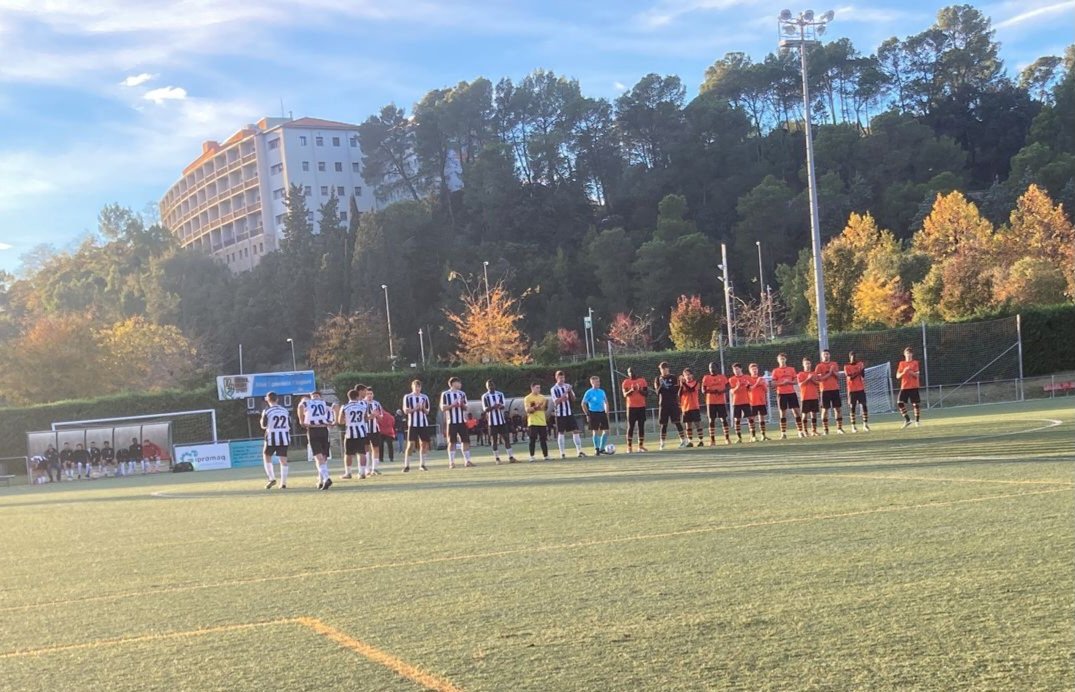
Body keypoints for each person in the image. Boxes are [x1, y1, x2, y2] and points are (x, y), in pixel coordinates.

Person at [298, 390, 335, 490]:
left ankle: (326, 478)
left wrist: (301, 421)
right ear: (320, 396)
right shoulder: (324, 402)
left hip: (313, 429)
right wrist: (334, 421)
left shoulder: (308, 402)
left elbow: (300, 406)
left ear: (311, 396)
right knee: (323, 457)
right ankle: (321, 480)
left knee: (318, 457)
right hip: (324, 429)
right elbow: (336, 406)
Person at [440, 377, 474, 469]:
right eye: (458, 382)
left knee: (465, 441)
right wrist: (453, 405)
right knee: (452, 442)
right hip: (451, 421)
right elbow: (442, 408)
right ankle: (451, 462)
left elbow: (466, 407)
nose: (460, 384)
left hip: (461, 421)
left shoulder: (462, 394)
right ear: (453, 383)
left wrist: (462, 404)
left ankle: (467, 461)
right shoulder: (445, 394)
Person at [550, 371, 586, 458]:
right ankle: (562, 453)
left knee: (576, 430)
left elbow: (573, 399)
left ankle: (579, 451)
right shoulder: (554, 389)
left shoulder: (567, 386)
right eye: (560, 378)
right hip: (560, 414)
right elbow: (556, 402)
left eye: (563, 378)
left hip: (569, 413)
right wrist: (565, 394)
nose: (562, 379)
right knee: (561, 432)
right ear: (556, 378)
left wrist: (570, 391)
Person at [261, 391, 291, 489]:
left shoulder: (267, 411)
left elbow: (264, 425)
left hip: (271, 437)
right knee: (283, 460)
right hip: (284, 437)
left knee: (266, 456)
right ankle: (283, 483)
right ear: (277, 399)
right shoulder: (285, 410)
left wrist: (261, 420)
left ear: (267, 400)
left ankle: (272, 478)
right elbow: (289, 424)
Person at [337, 386, 369, 479]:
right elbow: (365, 418)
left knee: (348, 453)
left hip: (350, 433)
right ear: (357, 396)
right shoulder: (363, 406)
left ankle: (348, 473)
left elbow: (340, 421)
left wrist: (347, 420)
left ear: (349, 397)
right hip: (361, 432)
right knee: (362, 452)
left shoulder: (345, 407)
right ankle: (362, 472)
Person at [654, 362, 687, 449]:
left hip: (673, 403)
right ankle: (662, 443)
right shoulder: (657, 379)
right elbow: (657, 392)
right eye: (661, 369)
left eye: (665, 368)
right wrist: (661, 385)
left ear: (668, 369)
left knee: (677, 422)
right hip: (663, 404)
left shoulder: (673, 377)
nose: (663, 370)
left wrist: (667, 387)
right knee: (663, 424)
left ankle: (683, 440)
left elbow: (675, 390)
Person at [482, 380, 517, 463]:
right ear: (486, 387)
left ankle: (511, 457)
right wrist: (494, 407)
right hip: (492, 422)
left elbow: (503, 406)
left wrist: (499, 406)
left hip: (501, 421)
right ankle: (497, 459)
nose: (491, 386)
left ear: (495, 385)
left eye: (492, 384)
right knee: (494, 440)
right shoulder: (485, 396)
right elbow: (485, 409)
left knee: (506, 438)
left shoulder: (500, 394)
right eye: (489, 385)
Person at [772, 353, 804, 440]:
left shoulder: (791, 369)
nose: (782, 360)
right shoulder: (775, 371)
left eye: (783, 358)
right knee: (782, 414)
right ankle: (783, 433)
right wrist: (782, 383)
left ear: (786, 359)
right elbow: (773, 383)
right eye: (780, 359)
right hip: (781, 394)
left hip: (791, 393)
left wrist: (789, 382)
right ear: (778, 360)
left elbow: (796, 381)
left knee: (797, 412)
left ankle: (800, 431)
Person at [402, 380, 432, 472]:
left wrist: (422, 408)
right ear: (412, 387)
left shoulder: (424, 397)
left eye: (419, 387)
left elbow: (427, 411)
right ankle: (406, 465)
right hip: (413, 424)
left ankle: (422, 464)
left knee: (424, 443)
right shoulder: (408, 397)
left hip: (423, 424)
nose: (417, 389)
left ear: (421, 388)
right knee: (411, 444)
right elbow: (405, 411)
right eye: (415, 387)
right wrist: (415, 408)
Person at [814, 350, 844, 435]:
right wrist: (830, 373)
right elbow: (819, 379)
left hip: (835, 389)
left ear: (829, 355)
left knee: (837, 409)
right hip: (824, 390)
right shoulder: (819, 366)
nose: (826, 356)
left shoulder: (834, 364)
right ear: (822, 356)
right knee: (825, 410)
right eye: (824, 354)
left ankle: (839, 428)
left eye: (827, 354)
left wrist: (833, 372)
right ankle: (826, 430)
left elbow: (838, 376)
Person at [621, 367, 649, 453]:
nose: (631, 373)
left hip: (641, 406)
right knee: (631, 426)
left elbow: (646, 393)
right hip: (631, 407)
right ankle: (629, 447)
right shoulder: (626, 382)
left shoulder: (642, 381)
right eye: (629, 372)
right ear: (628, 373)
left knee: (641, 426)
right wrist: (631, 390)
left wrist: (639, 390)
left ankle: (640, 446)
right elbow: (625, 394)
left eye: (632, 372)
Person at [702, 362, 730, 446]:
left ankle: (727, 438)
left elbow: (728, 387)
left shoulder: (722, 377)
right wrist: (713, 391)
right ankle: (712, 440)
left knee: (724, 419)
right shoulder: (706, 377)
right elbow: (703, 390)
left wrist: (721, 391)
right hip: (710, 402)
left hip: (721, 402)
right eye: (710, 367)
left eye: (713, 367)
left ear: (717, 368)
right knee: (711, 420)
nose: (711, 369)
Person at [581, 375, 610, 455]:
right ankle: (596, 449)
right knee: (595, 431)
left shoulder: (602, 391)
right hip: (593, 413)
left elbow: (606, 402)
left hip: (602, 412)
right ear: (592, 382)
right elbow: (583, 404)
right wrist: (587, 414)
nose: (598, 383)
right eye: (597, 381)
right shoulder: (589, 392)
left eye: (599, 381)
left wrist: (607, 411)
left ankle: (602, 448)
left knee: (606, 431)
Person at [896, 346, 922, 428]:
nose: (909, 355)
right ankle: (907, 419)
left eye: (910, 353)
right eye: (907, 353)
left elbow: (916, 376)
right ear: (904, 354)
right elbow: (898, 376)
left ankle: (917, 421)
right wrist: (904, 371)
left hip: (913, 386)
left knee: (915, 404)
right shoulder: (901, 364)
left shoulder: (915, 363)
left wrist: (910, 371)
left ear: (912, 354)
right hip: (904, 386)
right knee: (899, 402)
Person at [523, 381, 550, 462]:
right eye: (537, 387)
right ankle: (532, 456)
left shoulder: (543, 397)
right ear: (532, 388)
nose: (539, 389)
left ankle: (546, 455)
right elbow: (528, 410)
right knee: (532, 439)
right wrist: (536, 407)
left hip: (542, 421)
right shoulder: (528, 398)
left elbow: (544, 409)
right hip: (533, 421)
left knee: (543, 439)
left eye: (539, 387)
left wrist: (545, 406)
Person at [844, 351, 870, 432]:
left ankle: (865, 424)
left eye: (855, 356)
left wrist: (862, 369)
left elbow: (863, 375)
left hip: (861, 388)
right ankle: (853, 426)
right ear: (849, 357)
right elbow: (850, 377)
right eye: (852, 356)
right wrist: (858, 371)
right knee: (852, 407)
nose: (854, 358)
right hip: (852, 389)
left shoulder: (860, 364)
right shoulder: (846, 366)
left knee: (864, 405)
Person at [728, 363, 752, 443]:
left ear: (741, 369)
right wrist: (737, 387)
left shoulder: (747, 377)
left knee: (750, 418)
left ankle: (753, 436)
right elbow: (732, 391)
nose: (736, 371)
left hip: (746, 401)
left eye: (737, 369)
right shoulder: (732, 379)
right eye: (734, 369)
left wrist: (748, 386)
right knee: (737, 420)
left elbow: (751, 389)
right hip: (736, 402)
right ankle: (739, 437)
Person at [679, 368, 703, 446]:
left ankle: (701, 440)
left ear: (692, 375)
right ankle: (690, 441)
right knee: (688, 425)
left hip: (694, 406)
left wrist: (684, 383)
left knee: (697, 424)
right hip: (685, 407)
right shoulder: (683, 384)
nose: (687, 376)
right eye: (686, 375)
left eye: (689, 374)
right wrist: (681, 385)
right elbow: (679, 394)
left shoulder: (696, 383)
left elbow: (691, 389)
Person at [798, 357, 821, 437]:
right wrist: (808, 379)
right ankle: (805, 431)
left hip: (814, 396)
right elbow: (800, 384)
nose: (808, 365)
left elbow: (819, 383)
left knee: (814, 414)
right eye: (806, 364)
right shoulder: (801, 374)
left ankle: (814, 431)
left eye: (809, 363)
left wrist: (812, 380)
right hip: (805, 397)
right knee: (804, 415)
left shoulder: (814, 373)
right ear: (803, 365)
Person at [747, 363, 770, 441]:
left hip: (761, 401)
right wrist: (757, 383)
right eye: (753, 370)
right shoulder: (748, 379)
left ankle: (763, 435)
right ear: (750, 371)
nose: (755, 371)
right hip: (752, 402)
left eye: (756, 369)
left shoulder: (762, 379)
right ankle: (753, 436)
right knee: (752, 419)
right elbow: (750, 389)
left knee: (762, 418)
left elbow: (766, 390)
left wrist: (763, 384)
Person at [364, 388, 385, 475]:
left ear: (373, 394)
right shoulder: (362, 403)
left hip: (375, 429)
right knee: (366, 449)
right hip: (365, 429)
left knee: (376, 448)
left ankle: (375, 468)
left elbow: (381, 418)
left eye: (371, 393)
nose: (369, 395)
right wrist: (370, 416)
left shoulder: (377, 404)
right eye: (368, 393)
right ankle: (367, 469)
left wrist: (377, 416)